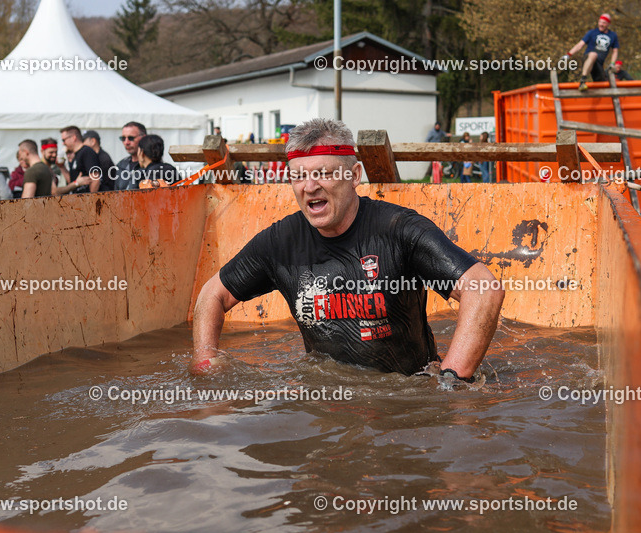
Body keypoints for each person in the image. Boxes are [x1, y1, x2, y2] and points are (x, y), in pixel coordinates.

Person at [191, 118, 505, 383]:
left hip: (404, 396)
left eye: (323, 173)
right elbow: (211, 294)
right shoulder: (280, 242)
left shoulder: (398, 229)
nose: (309, 186)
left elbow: (484, 288)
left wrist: (451, 382)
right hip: (326, 396)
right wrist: (206, 364)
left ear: (353, 176)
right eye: (299, 176)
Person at [567, 13, 622, 91]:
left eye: (603, 23)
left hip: (598, 64)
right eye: (600, 22)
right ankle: (582, 81)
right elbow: (580, 44)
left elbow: (615, 51)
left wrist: (612, 63)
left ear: (608, 24)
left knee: (601, 84)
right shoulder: (592, 33)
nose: (601, 24)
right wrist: (568, 54)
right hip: (588, 58)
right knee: (593, 54)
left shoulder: (612, 35)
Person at [114, 121, 146, 191]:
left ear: (143, 138)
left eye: (131, 138)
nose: (126, 142)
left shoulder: (151, 166)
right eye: (123, 138)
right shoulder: (121, 165)